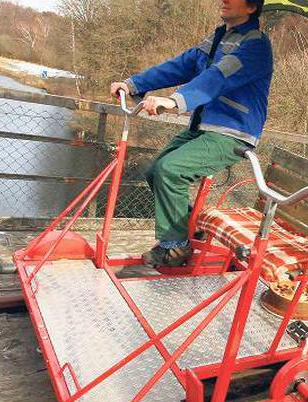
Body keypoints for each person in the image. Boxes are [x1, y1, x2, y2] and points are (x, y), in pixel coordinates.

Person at [109, 0, 272, 267]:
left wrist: (174, 101)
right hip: (204, 127)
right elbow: (180, 65)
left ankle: (175, 248)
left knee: (171, 170)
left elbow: (218, 77)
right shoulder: (218, 37)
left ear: (251, 7)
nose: (224, 0)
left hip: (233, 132)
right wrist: (133, 84)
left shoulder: (255, 45)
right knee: (154, 170)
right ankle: (190, 228)